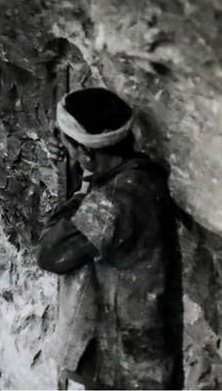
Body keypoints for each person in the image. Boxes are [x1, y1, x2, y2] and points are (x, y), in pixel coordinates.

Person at [37, 88, 183, 390]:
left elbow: (50, 253)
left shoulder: (112, 202)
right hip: (146, 346)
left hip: (118, 359)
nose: (70, 154)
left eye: (71, 147)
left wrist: (79, 190)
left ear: (88, 152)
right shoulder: (144, 176)